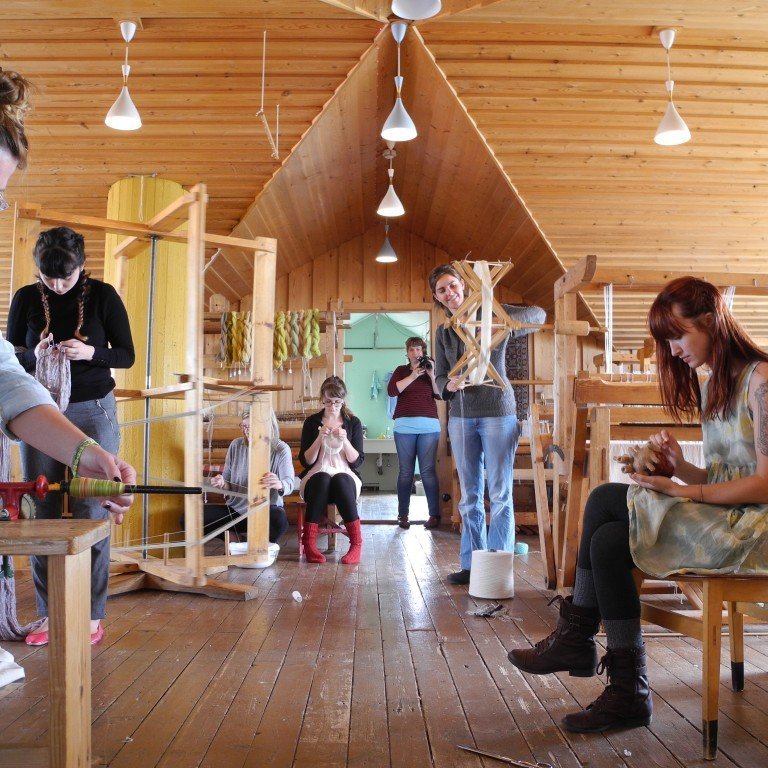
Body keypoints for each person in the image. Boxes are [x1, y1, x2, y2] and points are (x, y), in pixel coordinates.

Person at [507, 276, 768, 734]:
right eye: (665, 341)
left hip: (755, 531)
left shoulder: (762, 381)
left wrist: (685, 492)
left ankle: (581, 639)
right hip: (727, 517)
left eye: (677, 336)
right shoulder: (714, 386)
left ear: (711, 321)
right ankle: (626, 688)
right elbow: (730, 478)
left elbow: (764, 486)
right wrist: (682, 469)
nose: (671, 351)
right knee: (608, 539)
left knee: (606, 497)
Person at [0, 67, 135, 646]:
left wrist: (88, 350)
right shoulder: (26, 296)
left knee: (89, 515)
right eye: (46, 282)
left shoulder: (102, 295)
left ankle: (91, 615)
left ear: (82, 268)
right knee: (37, 515)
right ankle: (54, 614)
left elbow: (123, 355)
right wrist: (40, 352)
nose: (55, 290)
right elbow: (13, 358)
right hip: (40, 411)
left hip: (88, 410)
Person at [430, 263, 546, 585]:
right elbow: (439, 376)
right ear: (437, 298)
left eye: (453, 286)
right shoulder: (444, 332)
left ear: (464, 287)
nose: (450, 293)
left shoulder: (494, 313)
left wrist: (498, 317)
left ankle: (498, 566)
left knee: (500, 492)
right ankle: (472, 566)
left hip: (498, 412)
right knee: (469, 495)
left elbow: (539, 316)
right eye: (442, 290)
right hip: (462, 416)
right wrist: (448, 386)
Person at [298, 376, 364, 564]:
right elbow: (307, 461)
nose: (333, 406)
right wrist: (319, 438)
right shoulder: (312, 422)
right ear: (322, 399)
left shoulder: (353, 422)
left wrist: (345, 441)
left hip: (345, 475)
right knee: (323, 478)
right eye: (328, 402)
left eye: (337, 401)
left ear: (343, 400)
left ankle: (356, 544)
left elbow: (357, 461)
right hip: (316, 476)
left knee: (341, 479)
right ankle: (309, 544)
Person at [206, 409, 293, 549]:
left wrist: (279, 484)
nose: (246, 430)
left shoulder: (281, 449)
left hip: (266, 511)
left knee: (279, 520)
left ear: (266, 425)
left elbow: (289, 482)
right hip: (236, 511)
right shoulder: (236, 445)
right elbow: (227, 483)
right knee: (189, 518)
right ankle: (236, 540)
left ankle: (253, 546)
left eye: (250, 426)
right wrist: (221, 483)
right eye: (244, 426)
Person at [387, 336, 442, 529]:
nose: (415, 353)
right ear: (407, 353)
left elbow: (440, 394)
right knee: (406, 472)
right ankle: (403, 515)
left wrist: (432, 374)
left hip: (429, 426)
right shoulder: (401, 371)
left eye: (419, 349)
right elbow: (392, 391)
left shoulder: (431, 369)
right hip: (404, 426)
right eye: (411, 349)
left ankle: (434, 515)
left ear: (423, 351)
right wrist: (413, 376)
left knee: (427, 471)